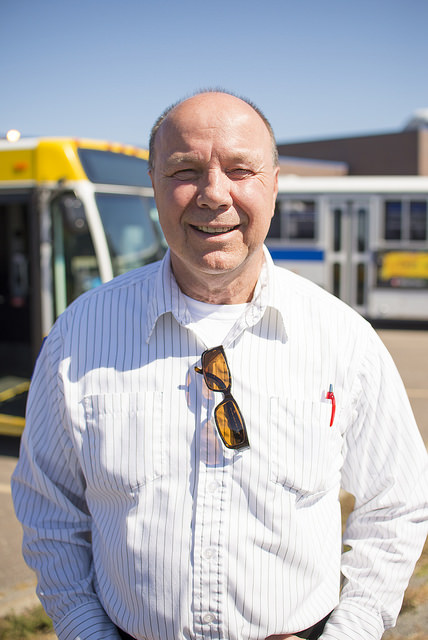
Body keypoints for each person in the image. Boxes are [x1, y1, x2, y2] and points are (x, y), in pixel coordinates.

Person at [12, 90, 428, 640]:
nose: (213, 194)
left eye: (240, 169)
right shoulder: (79, 334)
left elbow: (398, 503)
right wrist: (86, 630)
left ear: (274, 186)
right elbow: (50, 510)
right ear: (154, 186)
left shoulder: (343, 338)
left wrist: (350, 631)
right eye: (185, 170)